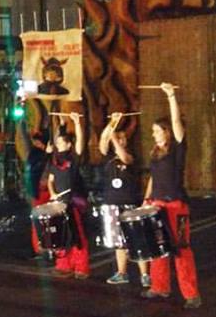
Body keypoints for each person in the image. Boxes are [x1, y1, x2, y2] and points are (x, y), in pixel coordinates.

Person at [141, 82, 202, 309]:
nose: (154, 134)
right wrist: (146, 200)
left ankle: (191, 294)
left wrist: (171, 96)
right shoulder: (156, 153)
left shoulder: (177, 148)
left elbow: (176, 122)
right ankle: (160, 287)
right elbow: (153, 178)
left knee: (181, 249)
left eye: (157, 130)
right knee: (158, 248)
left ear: (167, 132)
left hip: (176, 205)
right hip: (157, 204)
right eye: (153, 131)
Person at [98, 111, 150, 287]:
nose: (120, 141)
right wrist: (113, 122)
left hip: (129, 202)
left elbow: (124, 157)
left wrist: (114, 137)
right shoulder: (108, 158)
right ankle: (122, 272)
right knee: (118, 242)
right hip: (111, 203)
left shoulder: (131, 156)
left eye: (123, 139)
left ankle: (144, 274)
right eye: (118, 138)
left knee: (136, 239)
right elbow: (103, 140)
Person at [45, 112, 90, 279]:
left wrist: (77, 123)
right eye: (57, 142)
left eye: (60, 142)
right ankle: (63, 265)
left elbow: (80, 142)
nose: (57, 144)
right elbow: (50, 180)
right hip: (60, 201)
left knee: (77, 234)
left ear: (68, 144)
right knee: (61, 234)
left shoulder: (73, 157)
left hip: (74, 200)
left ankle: (81, 267)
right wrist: (52, 193)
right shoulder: (54, 160)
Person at [20, 124, 50, 259]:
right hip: (36, 192)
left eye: (38, 142)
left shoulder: (47, 156)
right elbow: (25, 140)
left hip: (45, 192)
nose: (36, 144)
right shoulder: (34, 154)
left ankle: (47, 248)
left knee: (46, 221)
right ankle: (40, 248)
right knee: (37, 221)